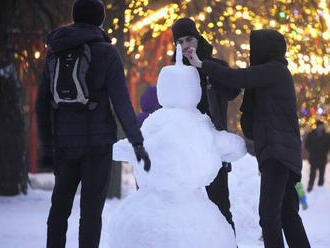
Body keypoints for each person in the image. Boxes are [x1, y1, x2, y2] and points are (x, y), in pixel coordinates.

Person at [35, 0, 150, 247]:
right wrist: (137, 142)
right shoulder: (106, 52)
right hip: (97, 145)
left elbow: (41, 103)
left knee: (59, 211)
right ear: (100, 20)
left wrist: (46, 146)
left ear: (75, 17)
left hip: (64, 144)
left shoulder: (55, 49)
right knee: (90, 213)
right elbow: (121, 102)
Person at [107, 45, 246, 248]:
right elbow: (233, 147)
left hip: (147, 214)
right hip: (193, 216)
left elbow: (131, 146)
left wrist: (121, 149)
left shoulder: (155, 123)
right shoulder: (197, 123)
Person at [186, 29, 311, 248]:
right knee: (288, 215)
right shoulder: (272, 75)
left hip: (277, 154)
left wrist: (203, 64)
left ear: (265, 50)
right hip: (282, 153)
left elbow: (239, 77)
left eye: (255, 49)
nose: (252, 54)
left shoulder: (275, 71)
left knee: (269, 215)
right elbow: (252, 122)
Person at [171, 18, 241, 232]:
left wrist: (204, 67)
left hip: (212, 147)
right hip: (183, 148)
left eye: (189, 39)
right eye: (180, 41)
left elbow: (233, 91)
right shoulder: (173, 71)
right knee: (182, 211)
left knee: (220, 208)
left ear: (198, 38)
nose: (186, 46)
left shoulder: (215, 66)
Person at [305, 120, 330, 192]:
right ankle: (310, 186)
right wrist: (311, 151)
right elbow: (307, 144)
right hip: (314, 157)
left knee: (322, 174)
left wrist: (325, 151)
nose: (321, 127)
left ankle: (320, 187)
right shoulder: (311, 134)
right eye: (320, 126)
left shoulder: (326, 135)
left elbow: (328, 145)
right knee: (312, 173)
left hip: (322, 157)